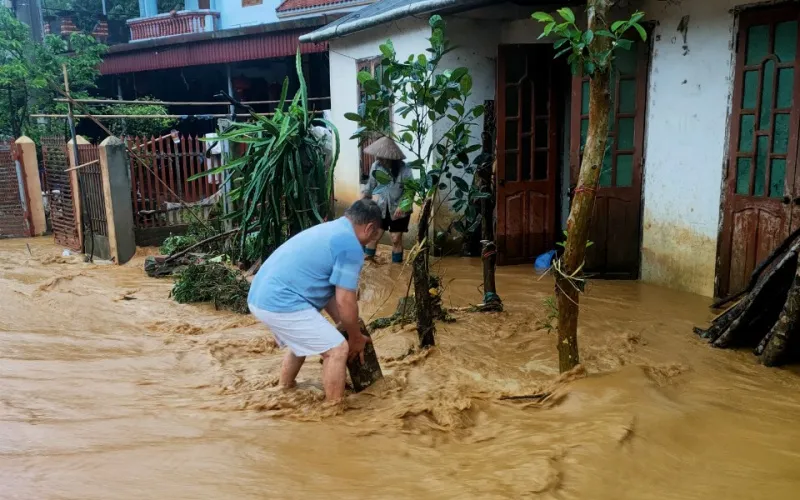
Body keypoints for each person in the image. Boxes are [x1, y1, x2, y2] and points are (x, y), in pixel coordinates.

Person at [247, 200, 383, 402]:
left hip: (259, 297)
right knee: (337, 349)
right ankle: (333, 413)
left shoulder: (331, 229)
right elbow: (346, 300)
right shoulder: (351, 246)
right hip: (280, 301)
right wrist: (354, 338)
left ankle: (284, 389)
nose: (371, 241)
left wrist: (346, 327)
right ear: (370, 228)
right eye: (374, 236)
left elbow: (330, 294)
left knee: (304, 341)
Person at [362, 137, 414, 264]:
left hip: (399, 210)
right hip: (381, 208)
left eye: (382, 157)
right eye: (378, 156)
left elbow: (410, 190)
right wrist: (363, 200)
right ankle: (368, 264)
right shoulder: (376, 166)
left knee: (396, 239)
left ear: (391, 158)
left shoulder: (405, 169)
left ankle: (396, 268)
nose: (379, 159)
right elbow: (370, 186)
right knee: (374, 236)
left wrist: (403, 206)